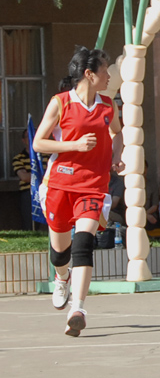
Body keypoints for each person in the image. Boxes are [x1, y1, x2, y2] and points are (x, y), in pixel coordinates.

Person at [34, 46, 124, 336]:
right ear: (89, 74)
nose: (108, 76)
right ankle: (62, 277)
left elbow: (117, 133)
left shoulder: (108, 105)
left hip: (93, 186)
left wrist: (116, 156)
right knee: (60, 252)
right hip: (60, 185)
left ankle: (78, 309)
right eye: (105, 70)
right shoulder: (60, 103)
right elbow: (39, 143)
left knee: (84, 242)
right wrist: (73, 145)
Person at [13, 130, 47, 230]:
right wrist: (42, 175)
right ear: (23, 140)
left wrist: (36, 176)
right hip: (28, 191)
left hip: (46, 190)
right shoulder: (18, 158)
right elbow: (24, 177)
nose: (31, 138)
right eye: (28, 136)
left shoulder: (45, 156)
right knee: (29, 221)